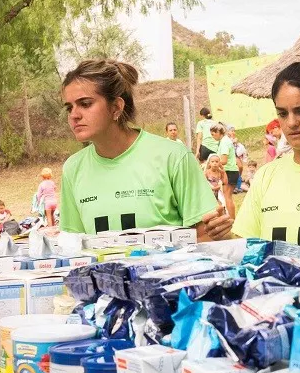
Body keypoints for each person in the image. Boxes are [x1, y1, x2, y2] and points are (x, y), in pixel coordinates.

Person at [59, 59, 231, 239]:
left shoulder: (173, 157)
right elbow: (73, 245)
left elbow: (205, 236)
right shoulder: (73, 168)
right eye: (69, 108)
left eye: (85, 104)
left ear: (116, 107)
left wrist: (219, 233)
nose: (74, 115)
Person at [233, 53, 300, 249]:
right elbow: (246, 245)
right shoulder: (266, 175)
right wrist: (221, 236)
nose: (291, 123)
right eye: (282, 113)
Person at [211, 122, 238, 217]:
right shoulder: (224, 141)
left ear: (218, 132)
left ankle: (231, 219)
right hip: (231, 171)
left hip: (230, 172)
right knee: (228, 197)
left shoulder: (224, 142)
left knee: (227, 197)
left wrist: (211, 164)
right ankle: (231, 218)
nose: (212, 136)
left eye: (213, 134)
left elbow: (224, 160)